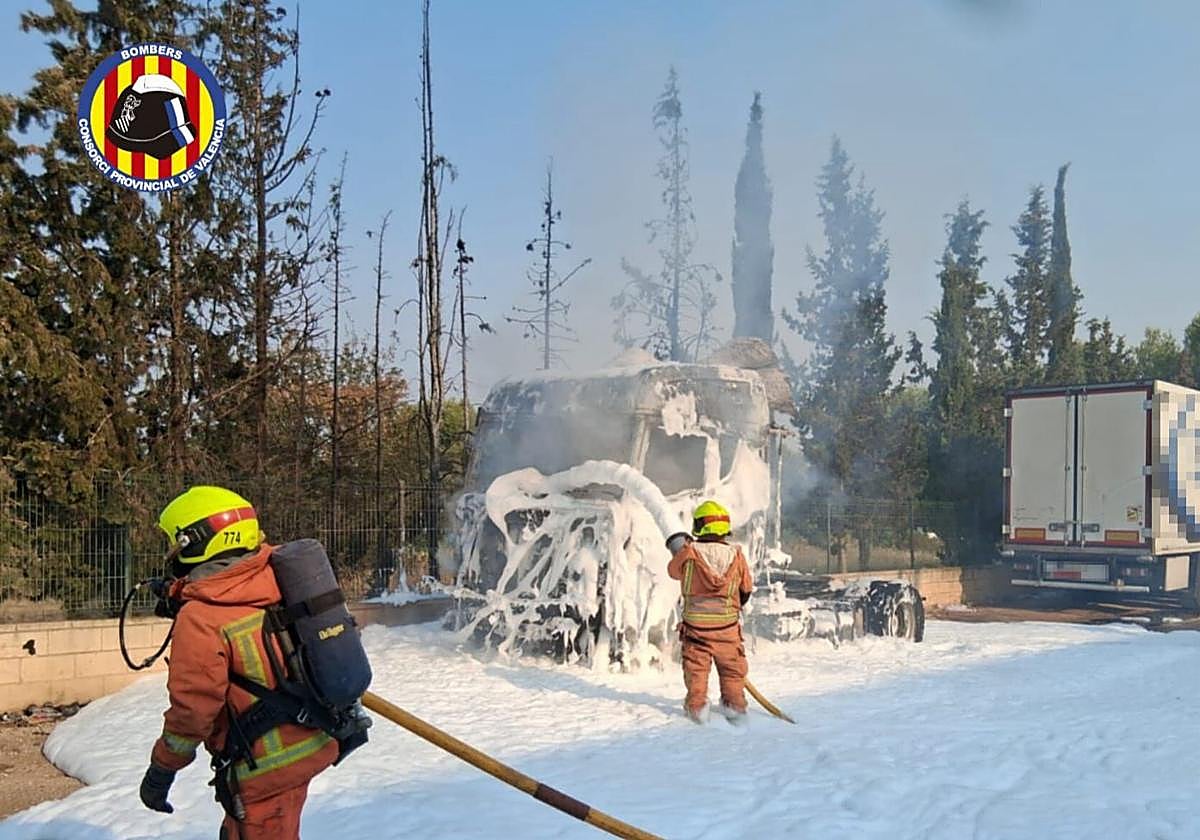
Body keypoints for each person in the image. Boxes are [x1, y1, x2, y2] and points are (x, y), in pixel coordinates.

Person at [138, 486, 339, 839]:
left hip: (265, 768)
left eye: (176, 542)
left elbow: (193, 712)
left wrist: (162, 769)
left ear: (197, 542)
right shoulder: (278, 580)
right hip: (307, 741)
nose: (172, 555)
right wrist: (178, 593)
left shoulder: (201, 618)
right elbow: (228, 589)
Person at [666, 500, 755, 723]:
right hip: (727, 629)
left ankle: (696, 709)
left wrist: (684, 549)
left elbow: (673, 571)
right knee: (733, 671)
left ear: (698, 526)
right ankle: (734, 706)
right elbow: (746, 589)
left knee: (696, 670)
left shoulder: (689, 553)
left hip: (696, 629)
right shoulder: (736, 555)